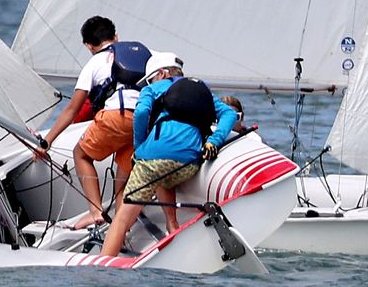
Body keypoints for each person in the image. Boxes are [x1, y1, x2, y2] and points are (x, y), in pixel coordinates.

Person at [100, 52, 239, 258]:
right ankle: (172, 226)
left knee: (122, 218)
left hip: (152, 162)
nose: (147, 83)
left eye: (150, 78)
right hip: (189, 164)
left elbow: (140, 113)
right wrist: (214, 140)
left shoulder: (153, 88)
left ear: (162, 73)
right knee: (164, 178)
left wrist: (139, 148)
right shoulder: (202, 90)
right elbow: (230, 114)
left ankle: (102, 265)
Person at [36, 16, 150, 229]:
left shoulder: (93, 64)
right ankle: (121, 226)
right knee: (122, 177)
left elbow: (72, 110)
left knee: (81, 154)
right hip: (144, 119)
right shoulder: (142, 55)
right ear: (116, 37)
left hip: (118, 115)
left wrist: (46, 142)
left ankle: (95, 212)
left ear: (88, 45)